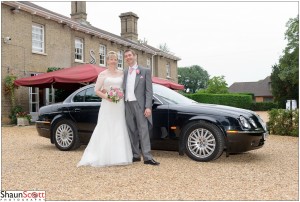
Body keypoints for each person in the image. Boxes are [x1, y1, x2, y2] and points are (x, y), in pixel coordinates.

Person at [77, 51, 132, 167]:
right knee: (106, 126)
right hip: (108, 104)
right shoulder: (102, 74)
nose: (113, 61)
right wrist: (107, 97)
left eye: (115, 59)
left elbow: (125, 88)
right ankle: (103, 155)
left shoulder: (122, 73)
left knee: (119, 126)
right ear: (107, 61)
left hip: (119, 104)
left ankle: (119, 156)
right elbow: (97, 90)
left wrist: (120, 95)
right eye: (111, 59)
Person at [123, 49, 160, 166]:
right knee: (131, 130)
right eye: (126, 56)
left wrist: (148, 107)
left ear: (135, 56)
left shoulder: (145, 71)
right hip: (127, 104)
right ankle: (135, 155)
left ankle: (148, 157)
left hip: (140, 105)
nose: (128, 57)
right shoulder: (124, 72)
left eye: (130, 55)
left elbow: (149, 91)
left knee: (143, 131)